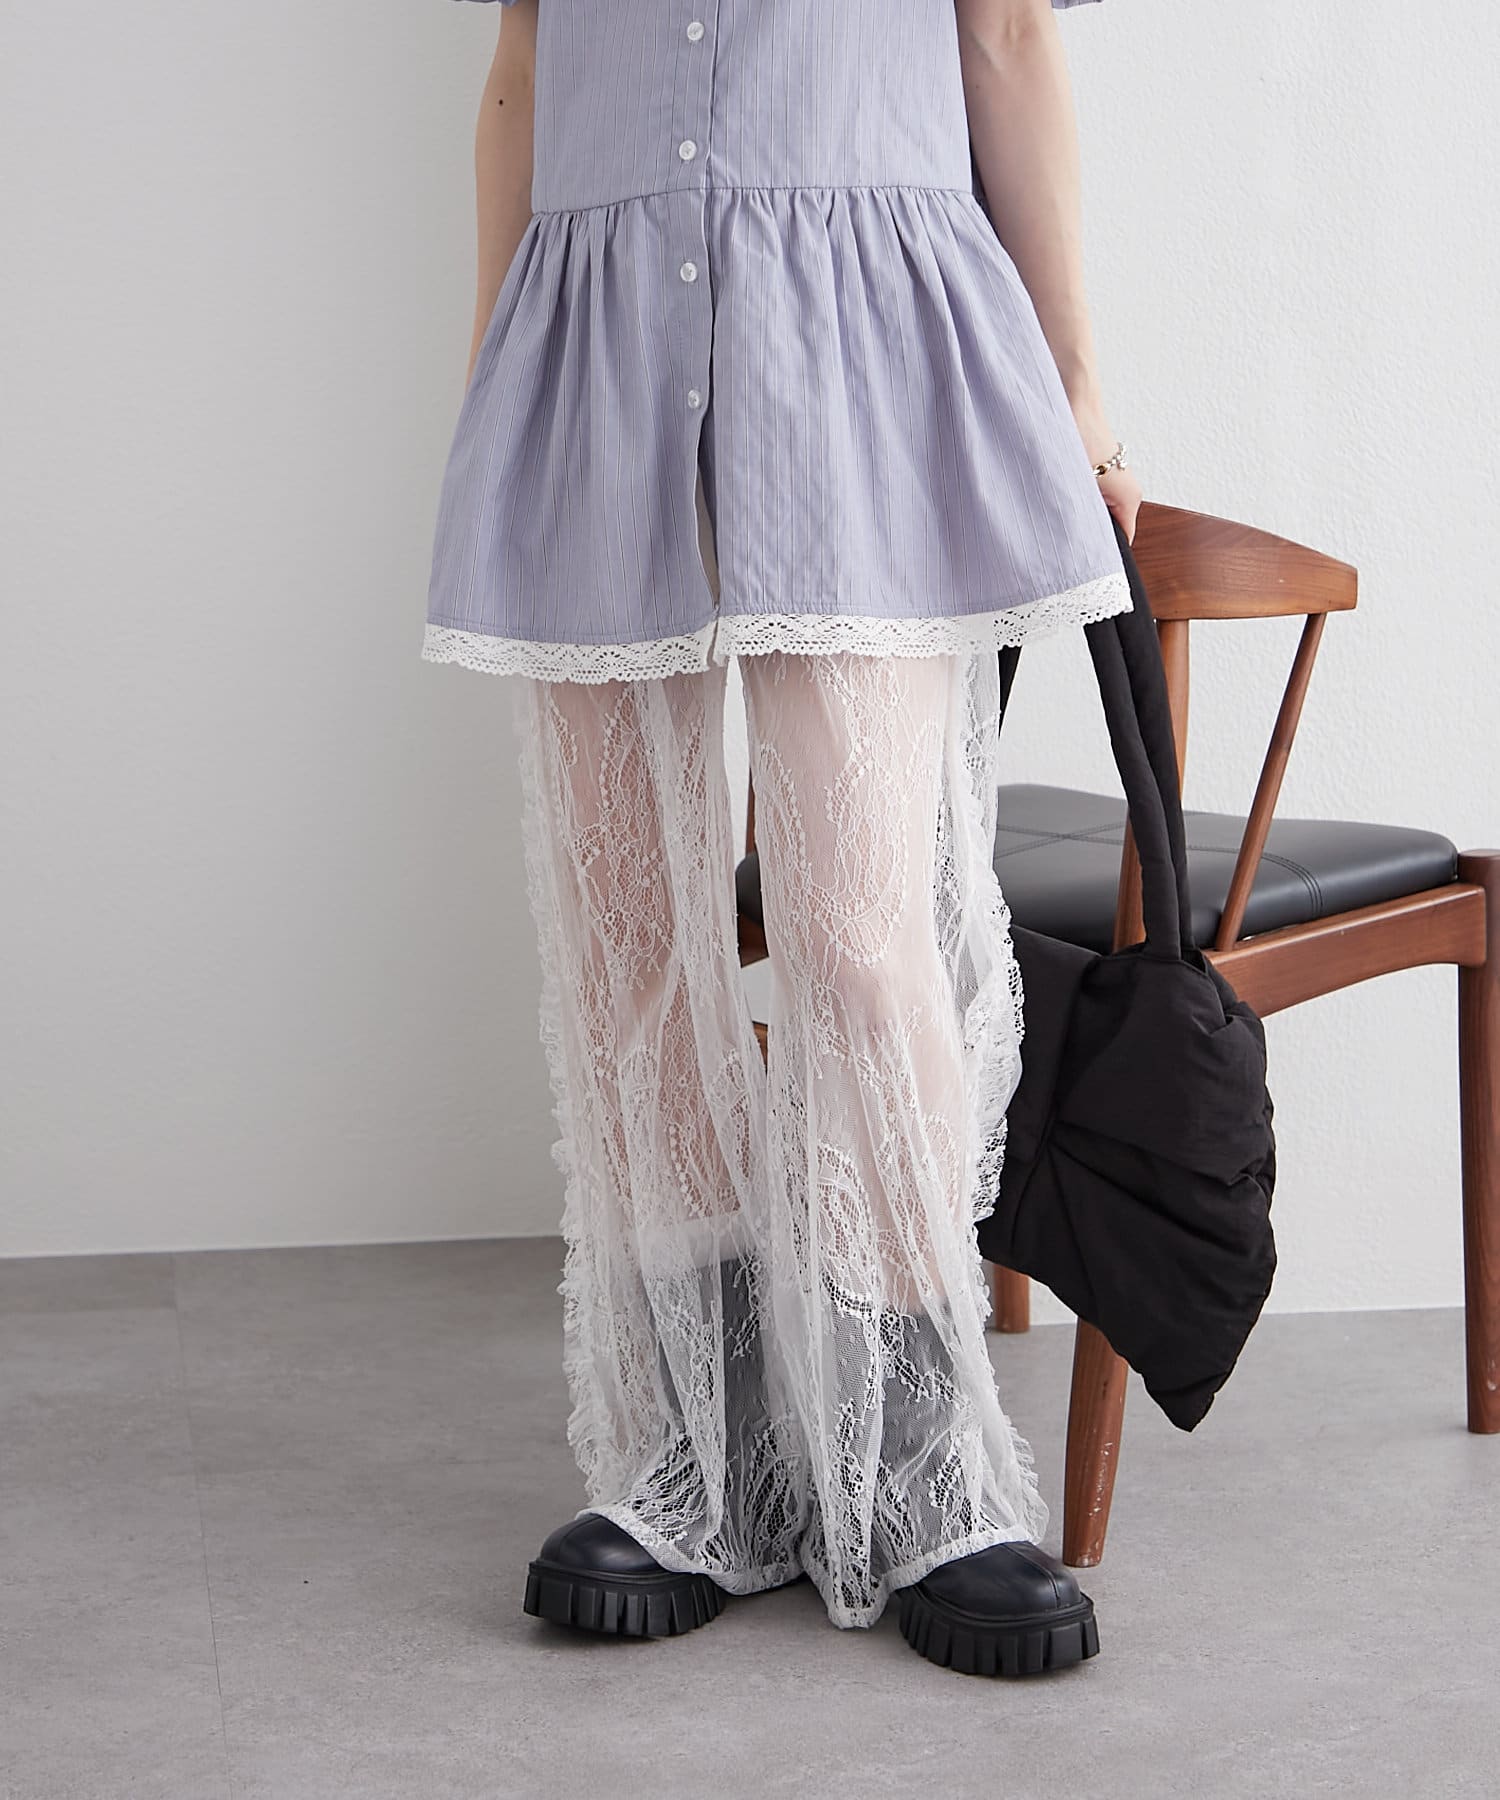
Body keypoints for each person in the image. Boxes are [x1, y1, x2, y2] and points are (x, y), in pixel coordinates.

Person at [423, 0, 1143, 1678]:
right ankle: (711, 1448)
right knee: (625, 929)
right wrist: (488, 373)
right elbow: (522, 65)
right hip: (590, 345)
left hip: (860, 330)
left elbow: (1006, 34)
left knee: (857, 927)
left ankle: (922, 1463)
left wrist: (1079, 383)